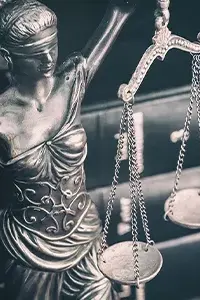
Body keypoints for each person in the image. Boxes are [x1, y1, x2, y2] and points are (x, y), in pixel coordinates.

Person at [0, 0, 138, 299]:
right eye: (35, 54)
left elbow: (116, 18)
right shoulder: (2, 120)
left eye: (52, 46)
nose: (48, 58)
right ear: (7, 58)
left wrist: (122, 9)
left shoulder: (69, 84)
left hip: (84, 231)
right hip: (30, 247)